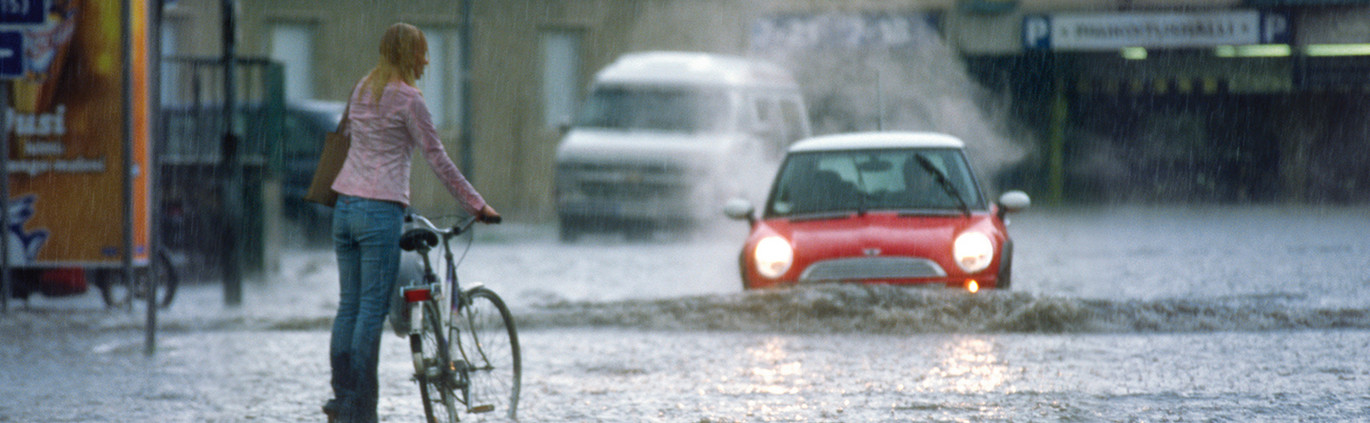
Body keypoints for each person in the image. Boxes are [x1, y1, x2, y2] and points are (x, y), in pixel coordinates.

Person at [324, 22, 498, 423]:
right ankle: (360, 410)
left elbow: (346, 138)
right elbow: (437, 158)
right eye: (422, 52)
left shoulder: (363, 88)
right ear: (408, 55)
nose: (427, 60)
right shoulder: (408, 99)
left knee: (348, 307)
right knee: (370, 311)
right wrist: (476, 205)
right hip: (379, 210)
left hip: (345, 208)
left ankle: (342, 397)